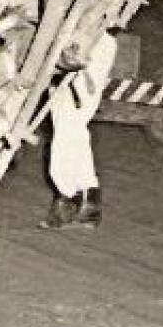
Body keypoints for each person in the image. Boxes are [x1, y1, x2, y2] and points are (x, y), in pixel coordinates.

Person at [39, 31, 117, 229]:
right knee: (74, 131)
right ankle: (90, 202)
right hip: (89, 45)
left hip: (89, 46)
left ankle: (66, 200)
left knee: (65, 133)